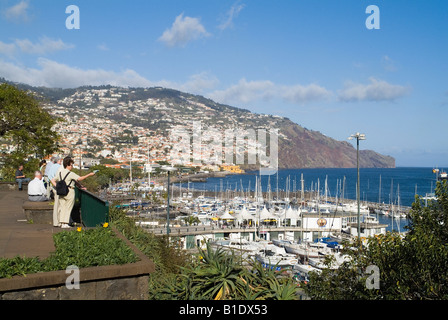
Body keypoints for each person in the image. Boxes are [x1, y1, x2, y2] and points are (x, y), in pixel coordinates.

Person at [51, 157, 95, 228]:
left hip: (61, 192)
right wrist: (89, 174)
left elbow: (53, 180)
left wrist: (57, 187)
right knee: (68, 208)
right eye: (71, 165)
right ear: (68, 165)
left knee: (62, 207)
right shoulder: (71, 174)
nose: (72, 167)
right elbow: (79, 178)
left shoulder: (60, 173)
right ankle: (65, 223)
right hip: (70, 191)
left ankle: (62, 223)